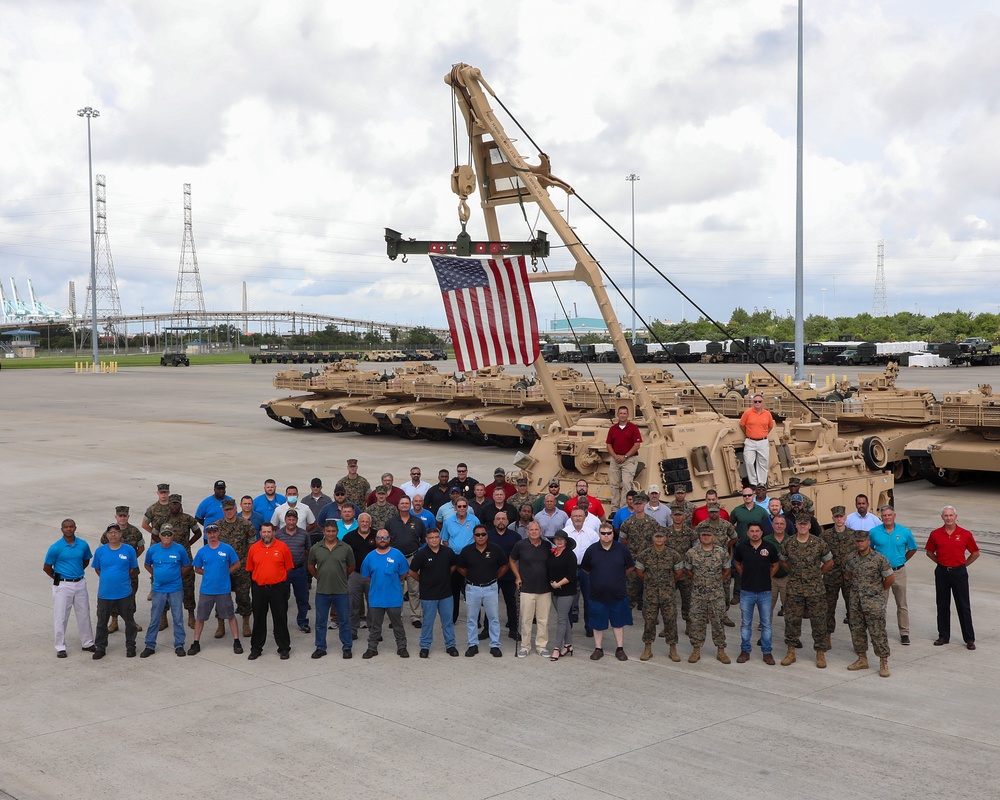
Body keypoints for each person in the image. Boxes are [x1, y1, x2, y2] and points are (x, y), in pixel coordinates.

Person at [779, 515, 833, 668]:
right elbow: (782, 561)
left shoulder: (819, 543)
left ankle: (820, 653)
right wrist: (794, 573)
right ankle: (791, 651)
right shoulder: (788, 543)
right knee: (792, 620)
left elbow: (829, 561)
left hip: (815, 589)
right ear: (796, 525)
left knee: (819, 621)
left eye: (805, 524)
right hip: (794, 588)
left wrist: (819, 573)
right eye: (800, 524)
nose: (802, 526)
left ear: (809, 525)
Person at [925, 505, 979, 650]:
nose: (948, 518)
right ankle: (943, 635)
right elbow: (929, 552)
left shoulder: (965, 534)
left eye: (951, 515)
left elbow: (975, 553)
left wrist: (963, 565)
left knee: (963, 606)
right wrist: (940, 563)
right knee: (942, 605)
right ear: (942, 517)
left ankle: (969, 638)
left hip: (959, 573)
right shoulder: (935, 534)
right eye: (946, 515)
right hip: (942, 572)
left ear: (956, 517)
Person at [581, 523, 635, 661]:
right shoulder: (592, 550)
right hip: (597, 595)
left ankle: (620, 649)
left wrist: (617, 578)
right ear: (599, 534)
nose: (606, 536)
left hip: (618, 594)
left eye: (609, 533)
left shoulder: (622, 549)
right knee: (597, 624)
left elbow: (629, 567)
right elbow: (586, 569)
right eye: (603, 533)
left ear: (613, 534)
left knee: (618, 623)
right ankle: (598, 649)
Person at [844, 529, 894, 676]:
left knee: (878, 633)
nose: (859, 544)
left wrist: (878, 592)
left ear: (868, 541)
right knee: (857, 631)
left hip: (873, 603)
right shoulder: (851, 558)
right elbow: (849, 574)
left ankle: (883, 662)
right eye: (857, 541)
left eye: (862, 541)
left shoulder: (879, 559)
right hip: (856, 602)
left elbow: (889, 579)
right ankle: (862, 659)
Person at [188, 523, 242, 655]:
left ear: (218, 533)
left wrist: (226, 572)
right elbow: (197, 568)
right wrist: (208, 574)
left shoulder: (227, 549)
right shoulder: (202, 551)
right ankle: (196, 642)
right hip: (207, 590)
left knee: (230, 615)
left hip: (223, 590)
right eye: (209, 533)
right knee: (200, 617)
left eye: (214, 532)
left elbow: (237, 564)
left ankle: (236, 641)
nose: (212, 535)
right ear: (206, 534)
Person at [457, 524, 509, 657]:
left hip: (490, 588)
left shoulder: (496, 549)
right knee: (471, 618)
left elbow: (505, 565)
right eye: (478, 535)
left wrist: (494, 577)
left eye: (483, 534)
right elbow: (460, 567)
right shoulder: (467, 550)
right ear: (473, 536)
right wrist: (470, 576)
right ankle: (472, 645)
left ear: (487, 535)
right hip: (472, 588)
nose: (481, 537)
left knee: (494, 618)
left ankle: (495, 645)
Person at [141, 525, 192, 658]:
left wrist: (177, 575)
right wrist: (156, 574)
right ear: (160, 536)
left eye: (169, 534)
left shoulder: (180, 549)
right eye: (164, 534)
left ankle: (179, 644)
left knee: (178, 618)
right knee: (155, 618)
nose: (167, 537)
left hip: (175, 589)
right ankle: (150, 645)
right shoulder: (153, 550)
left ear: (173, 535)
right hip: (158, 589)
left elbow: (187, 565)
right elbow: (147, 564)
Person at [868, 505, 917, 645]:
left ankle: (904, 633)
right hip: (881, 574)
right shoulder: (874, 532)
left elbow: (912, 549)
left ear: (894, 516)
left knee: (902, 604)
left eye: (889, 515)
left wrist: (902, 560)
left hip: (898, 572)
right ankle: (879, 632)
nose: (887, 518)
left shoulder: (904, 532)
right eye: (884, 516)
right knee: (880, 604)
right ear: (881, 517)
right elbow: (870, 551)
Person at [245, 522, 294, 660]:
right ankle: (256, 648)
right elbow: (250, 568)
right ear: (260, 533)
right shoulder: (254, 548)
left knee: (280, 618)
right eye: (264, 532)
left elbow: (288, 567)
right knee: (259, 619)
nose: (266, 534)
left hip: (278, 588)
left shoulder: (283, 547)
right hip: (259, 589)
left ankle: (284, 648)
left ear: (274, 532)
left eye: (269, 531)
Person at [307, 521, 356, 659]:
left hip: (341, 590)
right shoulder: (316, 548)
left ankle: (347, 647)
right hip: (323, 590)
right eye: (328, 531)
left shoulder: (345, 548)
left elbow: (351, 566)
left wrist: (342, 576)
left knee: (344, 620)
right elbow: (311, 566)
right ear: (324, 532)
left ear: (337, 532)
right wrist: (320, 577)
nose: (330, 533)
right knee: (320, 621)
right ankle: (320, 647)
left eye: (333, 531)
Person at [407, 528, 459, 658]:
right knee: (428, 622)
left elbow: (454, 566)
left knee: (448, 622)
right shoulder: (421, 554)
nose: (434, 540)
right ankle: (425, 646)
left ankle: (451, 645)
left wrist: (446, 575)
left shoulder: (448, 552)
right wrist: (423, 581)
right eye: (431, 538)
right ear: (426, 540)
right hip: (428, 595)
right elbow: (412, 571)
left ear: (440, 538)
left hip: (446, 593)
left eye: (436, 537)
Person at [635, 528, 685, 662]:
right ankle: (647, 648)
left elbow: (679, 573)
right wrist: (651, 582)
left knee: (670, 621)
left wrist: (667, 583)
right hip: (650, 594)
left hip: (668, 594)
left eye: (661, 537)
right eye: (656, 537)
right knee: (649, 621)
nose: (659, 539)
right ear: (653, 538)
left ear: (665, 538)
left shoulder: (673, 555)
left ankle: (672, 649)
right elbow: (639, 572)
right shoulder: (644, 555)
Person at [360, 530, 411, 659]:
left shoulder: (398, 555)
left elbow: (403, 574)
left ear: (389, 539)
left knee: (397, 625)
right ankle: (372, 648)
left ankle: (402, 647)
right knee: (375, 626)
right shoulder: (369, 557)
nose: (382, 540)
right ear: (375, 540)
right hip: (376, 598)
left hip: (393, 597)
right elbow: (366, 576)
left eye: (385, 537)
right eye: (379, 537)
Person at [734, 522, 779, 664]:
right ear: (747, 533)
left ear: (761, 532)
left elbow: (775, 565)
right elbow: (736, 562)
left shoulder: (769, 547)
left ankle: (767, 652)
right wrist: (744, 575)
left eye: (757, 531)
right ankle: (745, 650)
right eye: (751, 531)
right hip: (747, 591)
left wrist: (767, 576)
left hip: (765, 592)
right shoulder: (741, 547)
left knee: (766, 624)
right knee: (746, 623)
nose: (754, 533)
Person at [91, 523, 138, 659]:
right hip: (105, 594)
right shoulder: (100, 551)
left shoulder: (129, 550)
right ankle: (100, 647)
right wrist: (109, 579)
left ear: (120, 534)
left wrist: (120, 579)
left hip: (124, 593)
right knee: (101, 623)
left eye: (116, 532)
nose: (113, 535)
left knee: (129, 621)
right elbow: (97, 569)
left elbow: (132, 568)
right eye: (110, 533)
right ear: (107, 536)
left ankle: (131, 646)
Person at [685, 528, 731, 664]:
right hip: (698, 595)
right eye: (703, 535)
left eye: (708, 534)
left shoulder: (721, 552)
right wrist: (700, 582)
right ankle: (696, 649)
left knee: (718, 622)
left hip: (716, 595)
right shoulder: (691, 553)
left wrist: (716, 582)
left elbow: (727, 569)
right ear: (699, 537)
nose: (706, 537)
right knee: (697, 622)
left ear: (714, 536)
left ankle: (721, 650)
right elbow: (688, 570)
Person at [509, 521, 553, 657]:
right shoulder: (520, 545)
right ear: (527, 532)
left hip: (544, 589)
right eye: (531, 530)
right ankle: (525, 646)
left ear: (541, 531)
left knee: (543, 620)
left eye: (536, 529)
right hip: (526, 588)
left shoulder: (547, 546)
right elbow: (511, 560)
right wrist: (517, 577)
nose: (534, 532)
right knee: (526, 619)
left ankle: (541, 646)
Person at [101, 506, 145, 634]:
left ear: (128, 517)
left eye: (124, 516)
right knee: (113, 595)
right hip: (114, 571)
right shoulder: (108, 533)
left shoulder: (135, 531)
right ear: (116, 517)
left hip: (130, 571)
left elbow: (141, 547)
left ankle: (130, 620)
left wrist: (131, 560)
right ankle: (114, 621)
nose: (122, 518)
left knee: (131, 595)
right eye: (120, 516)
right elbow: (102, 551)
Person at [217, 498, 256, 639]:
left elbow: (252, 547)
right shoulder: (217, 526)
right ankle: (220, 624)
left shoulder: (246, 525)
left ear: (235, 509)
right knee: (221, 597)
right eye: (226, 510)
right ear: (223, 511)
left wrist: (248, 564)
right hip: (223, 568)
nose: (229, 512)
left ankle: (246, 623)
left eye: (231, 509)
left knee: (244, 596)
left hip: (242, 567)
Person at [162, 494, 201, 630]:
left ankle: (191, 615)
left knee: (188, 586)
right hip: (167, 558)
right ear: (169, 505)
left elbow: (198, 533)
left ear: (180, 504)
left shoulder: (187, 519)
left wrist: (188, 544)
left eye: (177, 503)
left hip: (185, 558)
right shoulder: (163, 519)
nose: (174, 506)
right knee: (165, 586)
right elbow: (155, 533)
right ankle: (163, 617)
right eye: (172, 503)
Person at [694, 502, 738, 625]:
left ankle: (724, 615)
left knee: (724, 587)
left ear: (719, 512)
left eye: (716, 511)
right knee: (706, 588)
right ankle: (707, 615)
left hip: (722, 561)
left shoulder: (726, 525)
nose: (714, 514)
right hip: (705, 562)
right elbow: (694, 538)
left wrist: (726, 547)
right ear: (708, 512)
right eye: (711, 511)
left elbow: (735, 537)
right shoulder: (702, 525)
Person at [386, 495, 426, 628]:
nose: (404, 505)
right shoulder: (391, 522)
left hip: (412, 559)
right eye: (402, 503)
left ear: (410, 505)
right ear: (398, 505)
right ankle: (396, 617)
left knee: (414, 590)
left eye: (406, 503)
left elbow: (423, 539)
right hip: (396, 559)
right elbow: (386, 540)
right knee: (397, 589)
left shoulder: (418, 522)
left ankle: (416, 617)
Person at [820, 506, 857, 647]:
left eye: (841, 516)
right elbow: (820, 554)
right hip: (831, 577)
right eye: (836, 516)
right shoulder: (826, 536)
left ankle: (856, 639)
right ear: (832, 518)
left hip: (849, 577)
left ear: (846, 517)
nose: (839, 519)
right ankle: (827, 636)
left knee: (852, 609)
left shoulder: (854, 535)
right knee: (828, 608)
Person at [729, 487, 772, 605]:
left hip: (758, 546)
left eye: (749, 495)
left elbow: (767, 527)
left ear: (753, 496)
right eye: (744, 496)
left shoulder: (761, 511)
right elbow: (729, 526)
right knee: (738, 571)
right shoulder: (736, 511)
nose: (747, 497)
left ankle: (760, 593)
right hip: (741, 546)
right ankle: (737, 595)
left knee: (759, 569)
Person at [619, 492, 662, 607]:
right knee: (630, 586)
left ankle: (649, 610)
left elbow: (658, 539)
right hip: (632, 558)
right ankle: (628, 610)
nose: (638, 506)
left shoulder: (652, 522)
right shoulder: (627, 523)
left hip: (648, 559)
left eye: (640, 503)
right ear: (632, 505)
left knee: (649, 586)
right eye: (636, 504)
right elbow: (623, 540)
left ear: (645, 504)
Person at [441, 498, 479, 624]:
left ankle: (476, 618)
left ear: (467, 507)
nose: (462, 508)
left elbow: (479, 538)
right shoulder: (448, 521)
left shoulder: (474, 520)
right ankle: (453, 617)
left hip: (471, 557)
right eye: (459, 506)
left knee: (473, 590)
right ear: (455, 508)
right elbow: (445, 540)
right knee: (454, 589)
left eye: (464, 506)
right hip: (454, 557)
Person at [276, 509, 313, 634]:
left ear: (297, 520)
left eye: (293, 519)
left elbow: (308, 550)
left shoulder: (304, 534)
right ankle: (281, 624)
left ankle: (303, 622)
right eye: (289, 519)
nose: (291, 521)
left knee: (302, 598)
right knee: (282, 598)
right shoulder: (278, 535)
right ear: (285, 520)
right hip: (283, 571)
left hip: (299, 570)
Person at [343, 513, 377, 640]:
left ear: (370, 523)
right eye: (362, 521)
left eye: (367, 521)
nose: (364, 524)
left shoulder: (377, 535)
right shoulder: (349, 537)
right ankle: (352, 630)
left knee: (373, 605)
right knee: (353, 604)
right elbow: (343, 556)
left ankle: (374, 630)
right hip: (355, 575)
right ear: (358, 522)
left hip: (373, 577)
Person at [488, 511, 521, 641]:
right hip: (491, 576)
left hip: (510, 576)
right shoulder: (488, 535)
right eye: (498, 519)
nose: (501, 521)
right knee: (490, 604)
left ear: (507, 522)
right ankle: (487, 629)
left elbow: (520, 556)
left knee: (511, 604)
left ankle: (513, 630)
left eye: (503, 519)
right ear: (494, 522)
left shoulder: (515, 536)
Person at [547, 530, 578, 660]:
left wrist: (558, 584)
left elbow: (571, 575)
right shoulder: (552, 554)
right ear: (554, 540)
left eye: (561, 539)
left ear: (566, 541)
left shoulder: (570, 555)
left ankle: (556, 648)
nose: (559, 541)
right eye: (557, 539)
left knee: (560, 619)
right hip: (554, 590)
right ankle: (568, 645)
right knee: (564, 618)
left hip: (566, 591)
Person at [664, 508, 696, 633]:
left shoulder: (690, 533)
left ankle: (689, 624)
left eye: (680, 515)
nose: (677, 518)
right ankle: (669, 627)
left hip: (686, 572)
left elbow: (695, 551)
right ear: (671, 516)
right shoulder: (665, 533)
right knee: (669, 601)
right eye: (675, 515)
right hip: (670, 572)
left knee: (687, 600)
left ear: (684, 516)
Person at [606, 405, 642, 510]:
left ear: (627, 415)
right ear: (617, 415)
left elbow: (637, 445)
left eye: (624, 413)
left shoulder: (633, 428)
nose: (622, 415)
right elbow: (608, 445)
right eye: (620, 413)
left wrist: (625, 456)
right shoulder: (613, 429)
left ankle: (623, 508)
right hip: (615, 459)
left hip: (629, 459)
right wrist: (615, 456)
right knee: (614, 485)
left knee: (626, 483)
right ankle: (614, 508)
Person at [740, 393, 774, 487]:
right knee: (749, 462)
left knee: (763, 463)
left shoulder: (767, 414)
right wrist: (749, 433)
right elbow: (742, 425)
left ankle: (761, 483)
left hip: (763, 441)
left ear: (763, 403)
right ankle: (753, 483)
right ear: (753, 403)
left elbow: (770, 426)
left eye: (759, 401)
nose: (757, 403)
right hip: (750, 441)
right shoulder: (747, 413)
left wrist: (763, 434)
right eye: (755, 401)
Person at [763, 514, 790, 620]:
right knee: (767, 605)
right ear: (772, 525)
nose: (779, 526)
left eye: (781, 524)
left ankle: (790, 628)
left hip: (786, 578)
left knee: (789, 606)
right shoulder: (765, 541)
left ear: (785, 525)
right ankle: (764, 624)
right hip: (770, 578)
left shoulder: (791, 541)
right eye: (776, 523)